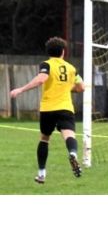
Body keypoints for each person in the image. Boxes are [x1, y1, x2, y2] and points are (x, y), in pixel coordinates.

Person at [10, 36, 85, 184]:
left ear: (48, 52)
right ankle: (73, 154)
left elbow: (41, 79)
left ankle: (41, 174)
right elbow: (81, 87)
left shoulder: (47, 64)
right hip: (66, 108)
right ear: (63, 52)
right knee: (69, 135)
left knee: (44, 139)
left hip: (48, 108)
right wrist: (66, 88)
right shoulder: (72, 68)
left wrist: (21, 89)